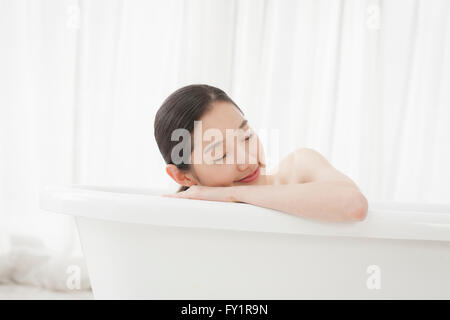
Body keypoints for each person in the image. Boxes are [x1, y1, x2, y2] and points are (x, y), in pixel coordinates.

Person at [154, 84, 368, 222]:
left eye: (246, 137)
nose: (247, 160)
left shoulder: (299, 167)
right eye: (221, 155)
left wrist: (233, 194)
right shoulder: (190, 221)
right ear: (183, 177)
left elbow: (353, 205)